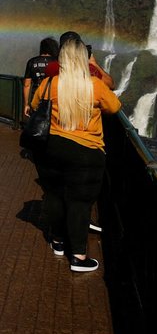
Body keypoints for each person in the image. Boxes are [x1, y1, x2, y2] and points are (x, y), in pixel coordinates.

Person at [31, 36, 121, 272]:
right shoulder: (95, 85)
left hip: (52, 148)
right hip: (87, 152)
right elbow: (115, 107)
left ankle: (58, 242)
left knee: (56, 196)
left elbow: (35, 103)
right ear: (83, 58)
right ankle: (79, 257)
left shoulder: (50, 83)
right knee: (79, 203)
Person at [45, 31, 115, 90]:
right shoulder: (89, 69)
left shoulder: (52, 67)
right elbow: (110, 85)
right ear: (81, 48)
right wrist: (94, 64)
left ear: (61, 50)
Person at [23, 37, 59, 118]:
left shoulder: (32, 61)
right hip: (53, 98)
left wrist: (26, 104)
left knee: (36, 122)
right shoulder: (58, 61)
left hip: (36, 98)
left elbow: (26, 85)